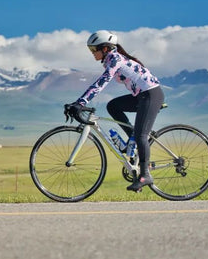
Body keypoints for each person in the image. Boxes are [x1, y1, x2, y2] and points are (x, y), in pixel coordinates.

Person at [66, 30, 164, 191]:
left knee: (141, 135)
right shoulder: (111, 59)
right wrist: (79, 102)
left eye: (93, 49)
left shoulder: (115, 58)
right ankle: (132, 144)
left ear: (105, 48)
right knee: (113, 106)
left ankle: (145, 175)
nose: (92, 53)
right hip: (141, 96)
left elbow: (101, 82)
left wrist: (81, 102)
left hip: (151, 94)